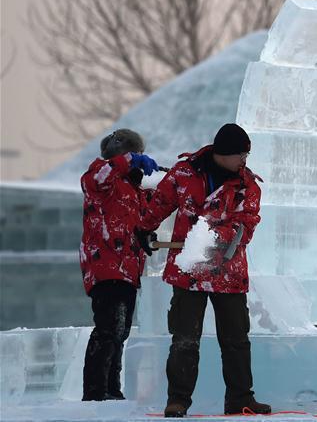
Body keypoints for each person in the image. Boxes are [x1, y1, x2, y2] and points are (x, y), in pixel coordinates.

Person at [137, 124, 269, 418]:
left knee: (236, 340)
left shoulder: (248, 186)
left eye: (246, 155)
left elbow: (246, 224)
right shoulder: (185, 174)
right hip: (189, 271)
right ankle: (178, 400)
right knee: (184, 339)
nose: (244, 160)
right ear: (223, 153)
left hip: (227, 271)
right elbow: (160, 203)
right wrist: (144, 228)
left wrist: (214, 239)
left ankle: (240, 399)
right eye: (240, 154)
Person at [80, 128, 160, 401]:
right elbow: (102, 176)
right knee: (108, 329)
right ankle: (95, 391)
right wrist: (130, 160)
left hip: (128, 269)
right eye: (135, 154)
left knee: (120, 331)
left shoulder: (133, 190)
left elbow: (149, 214)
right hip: (105, 265)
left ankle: (112, 388)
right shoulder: (98, 176)